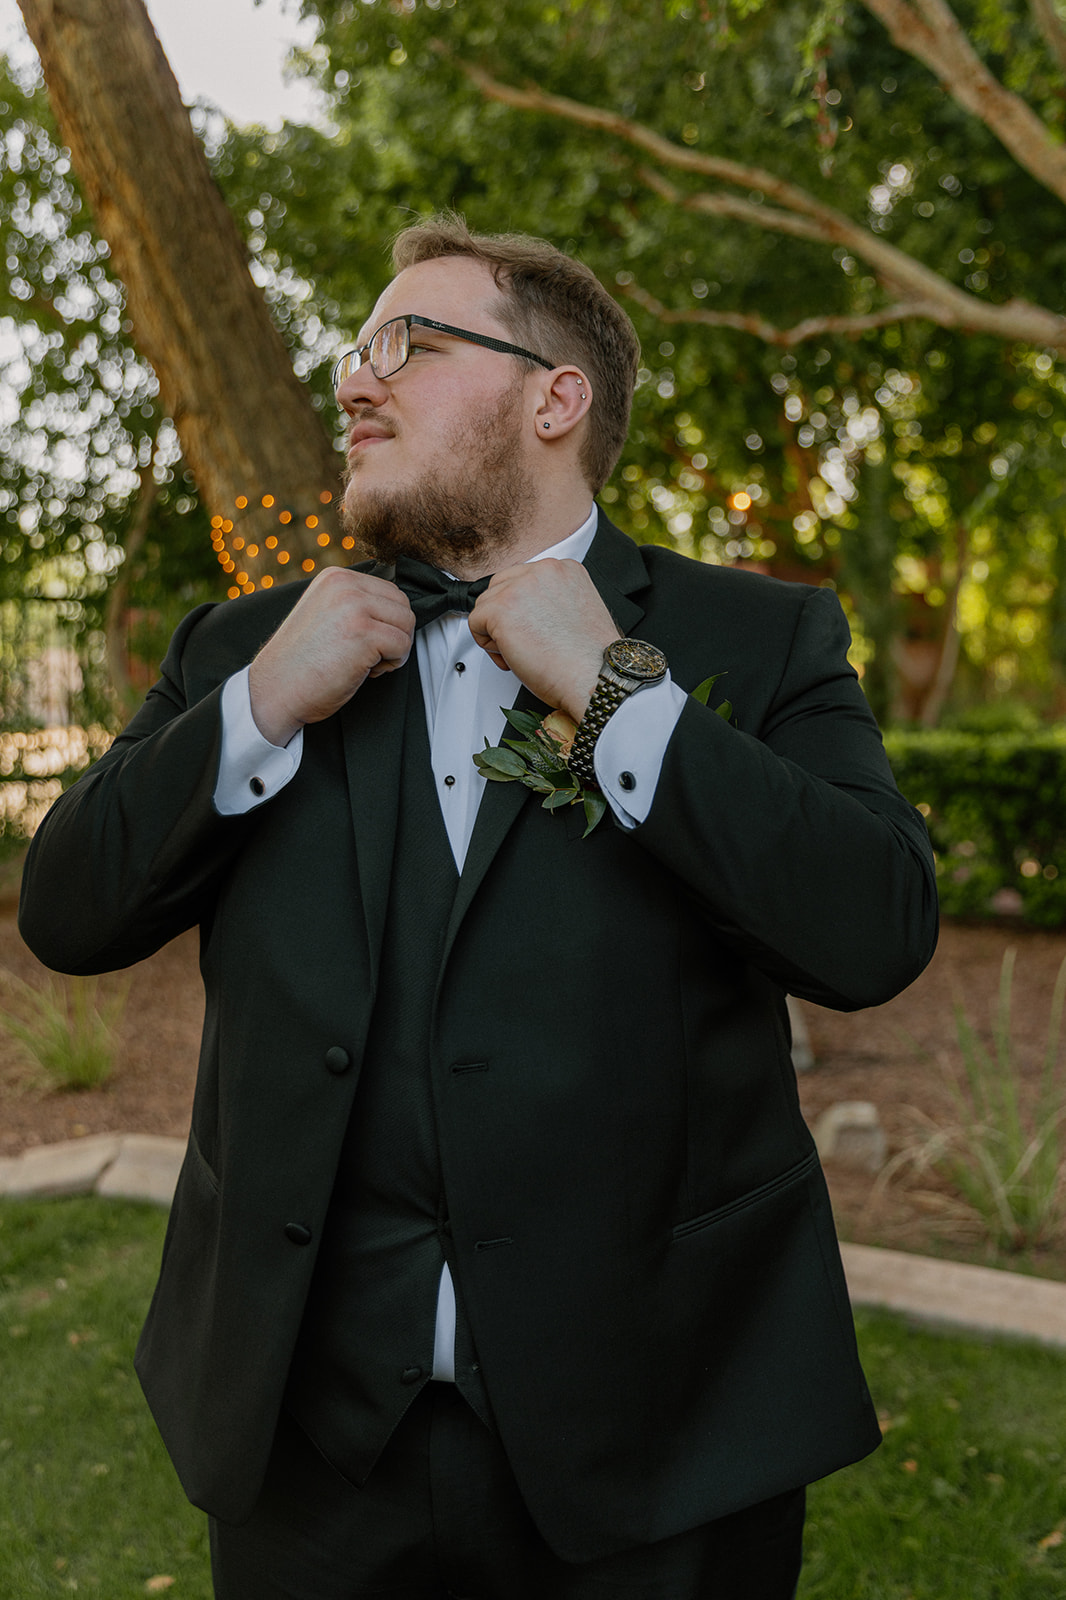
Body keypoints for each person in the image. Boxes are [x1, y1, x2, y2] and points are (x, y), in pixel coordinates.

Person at [18, 214, 938, 1600]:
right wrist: (262, 701)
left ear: (553, 397)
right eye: (355, 348)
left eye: (411, 343)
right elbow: (68, 915)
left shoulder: (757, 637)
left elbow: (869, 929)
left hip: (657, 1445)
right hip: (308, 1450)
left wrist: (615, 693)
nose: (354, 381)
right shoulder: (240, 645)